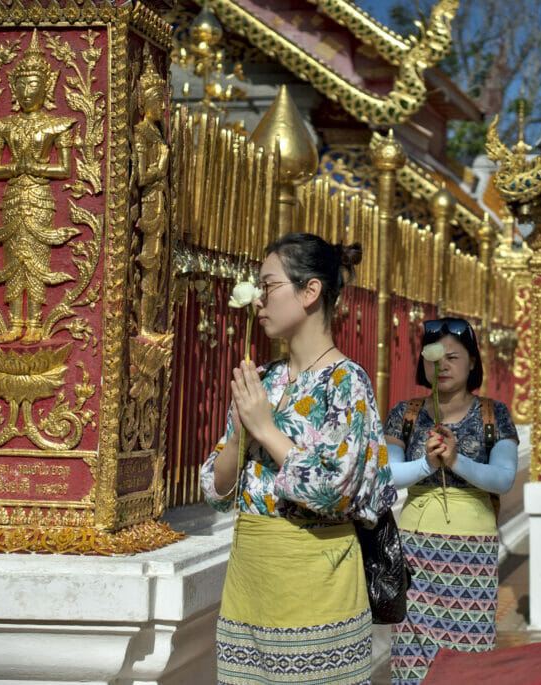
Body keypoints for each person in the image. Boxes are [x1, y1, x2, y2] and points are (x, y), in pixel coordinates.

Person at [200, 233, 396, 684]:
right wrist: (238, 431)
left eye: (268, 287)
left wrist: (265, 429)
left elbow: (332, 490)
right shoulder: (264, 380)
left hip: (316, 586)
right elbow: (215, 489)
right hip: (250, 588)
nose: (259, 300)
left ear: (310, 292)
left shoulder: (347, 383)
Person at [383, 317, 519, 684]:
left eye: (453, 357)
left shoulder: (494, 414)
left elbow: (504, 478)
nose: (441, 366)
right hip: (414, 548)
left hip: (472, 552)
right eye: (433, 357)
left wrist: (457, 460)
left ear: (473, 362)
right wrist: (427, 463)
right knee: (413, 658)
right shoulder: (405, 414)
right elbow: (389, 474)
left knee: (469, 653)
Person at [0, 29, 78, 344]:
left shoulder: (56, 124)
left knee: (35, 261)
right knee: (14, 260)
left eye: (33, 85)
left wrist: (33, 167)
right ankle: (15, 322)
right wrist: (14, 168)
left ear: (46, 86)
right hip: (12, 199)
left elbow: (64, 169)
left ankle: (35, 322)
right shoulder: (3, 124)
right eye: (20, 85)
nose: (25, 91)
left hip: (39, 198)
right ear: (13, 87)